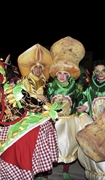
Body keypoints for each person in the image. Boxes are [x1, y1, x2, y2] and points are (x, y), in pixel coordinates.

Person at [0, 55, 59, 179]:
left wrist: (44, 107)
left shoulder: (12, 90)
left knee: (19, 157)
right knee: (4, 162)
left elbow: (28, 102)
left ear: (0, 78)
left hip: (16, 127)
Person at [46, 36, 85, 180]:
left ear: (70, 75)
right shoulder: (50, 86)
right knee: (50, 147)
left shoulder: (75, 87)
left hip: (69, 122)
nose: (62, 76)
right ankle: (46, 173)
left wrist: (82, 107)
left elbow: (80, 99)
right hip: (54, 121)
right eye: (59, 73)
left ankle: (65, 171)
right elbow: (47, 101)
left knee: (67, 146)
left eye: (65, 74)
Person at [76, 63, 105, 180]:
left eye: (103, 71)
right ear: (93, 73)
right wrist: (85, 107)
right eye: (97, 71)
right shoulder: (91, 87)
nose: (100, 74)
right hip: (95, 125)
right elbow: (87, 99)